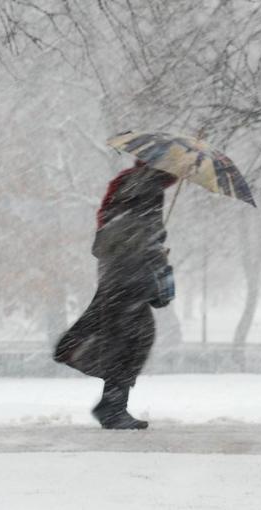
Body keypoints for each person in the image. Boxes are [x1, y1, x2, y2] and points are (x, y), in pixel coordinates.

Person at [54, 161, 177, 429]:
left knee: (125, 339)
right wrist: (155, 252)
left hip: (117, 273)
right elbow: (142, 230)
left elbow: (118, 229)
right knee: (132, 341)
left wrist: (152, 245)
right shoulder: (149, 187)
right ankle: (111, 406)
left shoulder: (130, 183)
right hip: (130, 275)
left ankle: (111, 404)